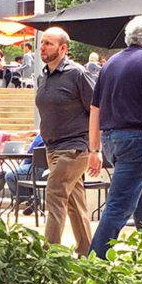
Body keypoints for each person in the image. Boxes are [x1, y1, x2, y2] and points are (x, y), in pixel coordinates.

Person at [87, 14, 142, 258]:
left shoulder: (110, 64)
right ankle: (93, 266)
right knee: (117, 208)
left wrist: (94, 150)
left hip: (110, 143)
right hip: (136, 141)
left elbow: (95, 109)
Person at [35, 27, 96, 256]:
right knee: (74, 201)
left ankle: (49, 256)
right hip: (52, 147)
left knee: (55, 194)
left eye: (49, 44)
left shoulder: (77, 74)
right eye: (42, 43)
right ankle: (88, 253)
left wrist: (94, 148)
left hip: (74, 147)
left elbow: (96, 109)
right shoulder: (44, 76)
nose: (43, 47)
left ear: (63, 48)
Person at [5, 134, 46, 214]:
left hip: (35, 168)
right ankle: (31, 198)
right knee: (20, 175)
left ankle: (28, 199)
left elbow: (32, 153)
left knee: (10, 176)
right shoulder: (46, 135)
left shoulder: (42, 137)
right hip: (44, 170)